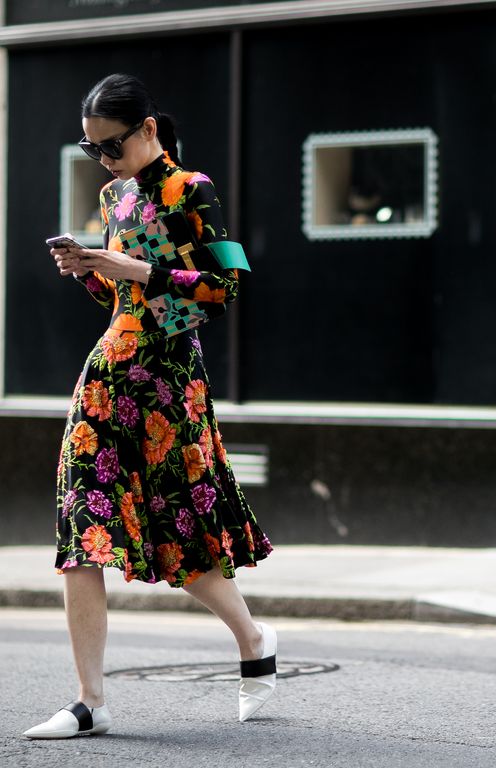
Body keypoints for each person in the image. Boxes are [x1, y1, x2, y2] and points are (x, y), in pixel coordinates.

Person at [23, 73, 275, 739]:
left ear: (149, 131)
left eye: (113, 146)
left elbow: (229, 283)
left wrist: (127, 267)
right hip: (107, 373)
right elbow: (121, 301)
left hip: (167, 381)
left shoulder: (191, 190)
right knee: (81, 527)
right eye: (92, 149)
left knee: (181, 533)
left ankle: (253, 640)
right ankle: (89, 703)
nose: (105, 160)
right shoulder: (114, 199)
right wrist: (91, 272)